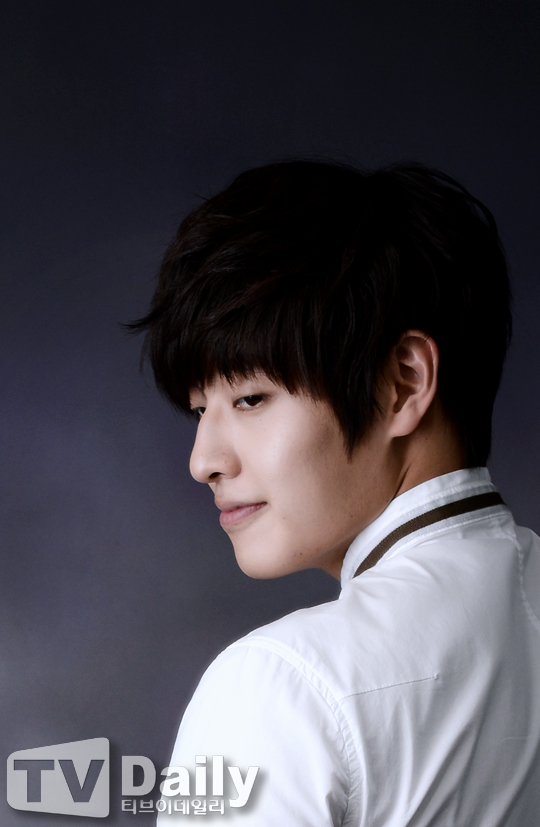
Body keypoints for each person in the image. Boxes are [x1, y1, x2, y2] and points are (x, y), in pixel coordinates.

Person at [131, 160, 540, 825]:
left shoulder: (278, 687)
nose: (203, 461)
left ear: (403, 383)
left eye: (250, 398)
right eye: (200, 409)